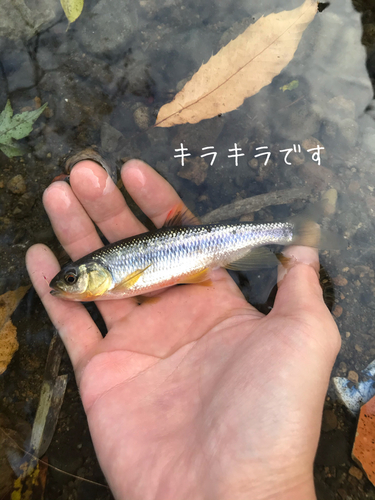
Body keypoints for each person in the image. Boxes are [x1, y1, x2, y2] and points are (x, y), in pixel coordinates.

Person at [26, 159, 341, 500]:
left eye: (72, 279)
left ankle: (293, 230)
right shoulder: (112, 280)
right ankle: (299, 230)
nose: (67, 284)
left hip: (207, 249)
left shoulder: (115, 280)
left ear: (92, 273)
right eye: (70, 279)